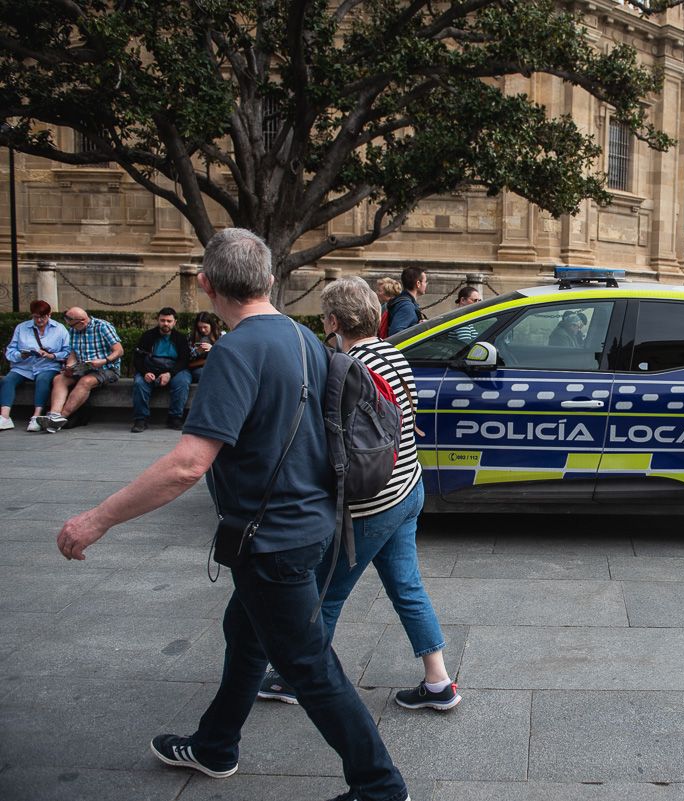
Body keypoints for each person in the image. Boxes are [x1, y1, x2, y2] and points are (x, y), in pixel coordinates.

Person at [53, 229, 412, 801]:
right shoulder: (304, 338)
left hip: (274, 540)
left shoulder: (235, 352)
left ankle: (380, 788)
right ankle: (216, 744)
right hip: (311, 525)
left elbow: (186, 465)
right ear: (270, 280)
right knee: (245, 633)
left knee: (309, 667)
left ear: (203, 284)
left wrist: (95, 520)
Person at [258, 277, 458, 713]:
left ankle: (297, 678)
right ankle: (438, 681)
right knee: (407, 586)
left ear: (332, 321)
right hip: (408, 486)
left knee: (324, 592)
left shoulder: (344, 367)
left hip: (372, 502)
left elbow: (333, 440)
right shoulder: (391, 353)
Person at [35, 307, 123, 433]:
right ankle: (53, 414)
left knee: (86, 381)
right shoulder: (73, 329)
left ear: (82, 322)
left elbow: (119, 350)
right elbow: (72, 353)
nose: (71, 327)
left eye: (72, 325)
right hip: (83, 367)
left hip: (107, 368)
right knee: (60, 379)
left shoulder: (103, 326)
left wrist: (104, 361)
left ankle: (61, 417)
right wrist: (70, 366)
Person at [1, 299, 70, 432]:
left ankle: (36, 416)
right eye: (36, 317)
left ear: (49, 315)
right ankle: (4, 417)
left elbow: (67, 351)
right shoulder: (22, 328)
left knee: (43, 380)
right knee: (7, 380)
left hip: (48, 365)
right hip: (23, 366)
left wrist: (52, 356)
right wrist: (21, 355)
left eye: (43, 317)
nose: (39, 320)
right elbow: (11, 350)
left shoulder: (60, 329)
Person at [131, 307, 192, 432]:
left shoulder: (180, 338)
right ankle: (141, 419)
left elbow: (184, 360)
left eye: (169, 321)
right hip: (150, 367)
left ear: (174, 322)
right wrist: (145, 372)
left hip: (174, 369)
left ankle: (175, 417)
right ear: (158, 320)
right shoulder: (147, 336)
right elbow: (137, 358)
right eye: (162, 320)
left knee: (183, 382)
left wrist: (170, 374)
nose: (165, 324)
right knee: (139, 383)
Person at [385, 267, 426, 337]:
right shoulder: (407, 306)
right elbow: (395, 334)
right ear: (418, 284)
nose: (426, 285)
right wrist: (419, 329)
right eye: (425, 281)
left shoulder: (404, 301)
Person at [188, 311, 222, 381]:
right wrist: (197, 352)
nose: (202, 330)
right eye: (200, 327)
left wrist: (213, 349)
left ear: (211, 325)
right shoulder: (191, 337)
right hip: (198, 368)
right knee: (205, 374)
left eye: (205, 327)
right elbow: (186, 359)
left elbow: (226, 355)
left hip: (217, 366)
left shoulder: (220, 336)